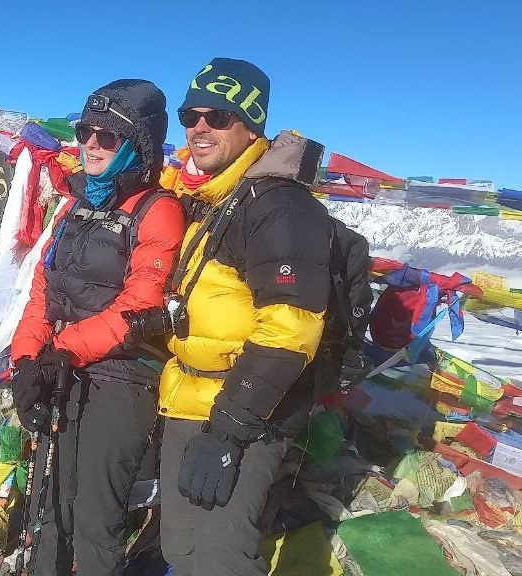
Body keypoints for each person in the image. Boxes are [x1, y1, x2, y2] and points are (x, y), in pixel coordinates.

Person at [151, 58, 333, 575]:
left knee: (220, 558)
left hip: (243, 416)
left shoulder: (279, 208)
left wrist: (229, 431)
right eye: (190, 115)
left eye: (219, 116)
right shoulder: (212, 197)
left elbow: (290, 328)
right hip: (191, 399)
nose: (199, 128)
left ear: (252, 124)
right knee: (182, 549)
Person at [10, 79, 185, 576]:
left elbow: (139, 304)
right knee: (50, 504)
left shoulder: (159, 211)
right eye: (87, 131)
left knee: (94, 516)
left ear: (138, 146)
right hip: (61, 365)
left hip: (122, 376)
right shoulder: (75, 206)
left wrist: (60, 351)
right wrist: (27, 360)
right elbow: (44, 291)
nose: (90, 143)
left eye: (108, 136)